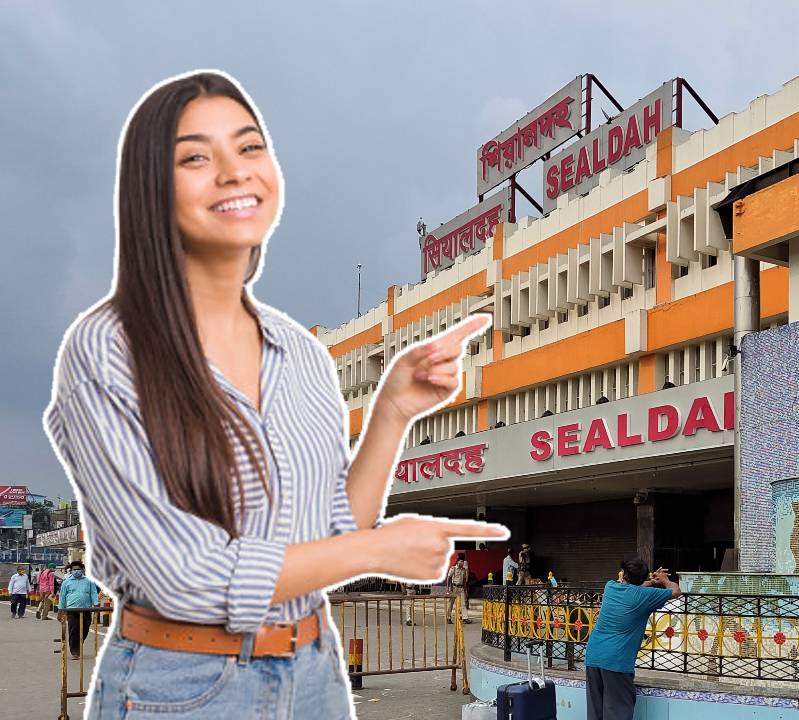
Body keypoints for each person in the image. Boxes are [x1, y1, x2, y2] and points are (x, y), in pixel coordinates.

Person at [41, 70, 508, 718]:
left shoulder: (300, 353)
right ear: (150, 189)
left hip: (314, 671)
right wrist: (377, 550)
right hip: (186, 684)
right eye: (197, 157)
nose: (235, 172)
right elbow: (182, 576)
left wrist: (392, 413)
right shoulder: (107, 350)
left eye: (250, 147)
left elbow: (334, 530)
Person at [583, 558, 682, 720]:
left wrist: (650, 582)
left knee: (595, 713)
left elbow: (631, 588)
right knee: (617, 713)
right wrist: (665, 581)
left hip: (593, 656)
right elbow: (676, 591)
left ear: (624, 574)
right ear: (641, 578)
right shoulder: (644, 596)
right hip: (617, 661)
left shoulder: (610, 587)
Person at [57, 560, 99, 659]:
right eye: (74, 569)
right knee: (74, 630)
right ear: (70, 571)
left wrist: (96, 605)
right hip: (72, 610)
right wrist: (60, 611)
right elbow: (62, 597)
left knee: (84, 630)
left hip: (86, 610)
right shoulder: (66, 582)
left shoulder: (89, 581)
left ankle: (78, 646)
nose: (76, 571)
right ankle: (75, 651)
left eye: (78, 569)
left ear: (82, 570)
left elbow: (93, 593)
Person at [446, 552, 471, 622]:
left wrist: (465, 591)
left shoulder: (463, 570)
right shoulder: (453, 568)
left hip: (461, 588)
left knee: (463, 603)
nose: (462, 563)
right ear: (458, 562)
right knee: (451, 603)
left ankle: (465, 618)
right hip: (454, 588)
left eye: (463, 561)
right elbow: (448, 578)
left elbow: (464, 581)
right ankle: (448, 617)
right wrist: (448, 588)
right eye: (461, 561)